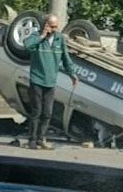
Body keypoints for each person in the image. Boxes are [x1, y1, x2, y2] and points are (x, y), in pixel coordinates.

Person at [23, 13, 78, 150]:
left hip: (51, 82)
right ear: (45, 25)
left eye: (56, 27)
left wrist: (72, 74)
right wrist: (42, 36)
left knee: (47, 113)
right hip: (37, 79)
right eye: (51, 26)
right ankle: (32, 140)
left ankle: (41, 139)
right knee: (37, 111)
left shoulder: (59, 39)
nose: (54, 29)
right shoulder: (36, 37)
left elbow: (65, 58)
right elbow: (27, 46)